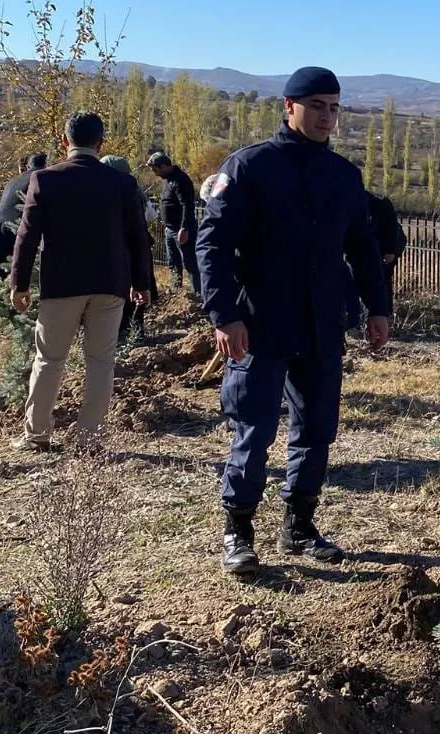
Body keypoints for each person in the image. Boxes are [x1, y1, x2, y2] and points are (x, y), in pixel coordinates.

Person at [197, 67, 392, 576]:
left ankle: (300, 525)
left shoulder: (343, 176)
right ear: (289, 107)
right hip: (261, 323)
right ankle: (238, 531)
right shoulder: (250, 168)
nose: (327, 116)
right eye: (317, 106)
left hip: (323, 323)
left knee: (316, 428)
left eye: (334, 107)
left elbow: (364, 249)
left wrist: (378, 308)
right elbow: (211, 245)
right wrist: (224, 314)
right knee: (254, 428)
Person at [9, 113, 153, 451]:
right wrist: (141, 282)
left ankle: (37, 434)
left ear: (64, 141)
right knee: (101, 362)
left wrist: (19, 283)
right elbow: (138, 238)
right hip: (110, 283)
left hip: (62, 283)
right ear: (101, 143)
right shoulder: (122, 184)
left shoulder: (45, 179)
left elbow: (26, 237)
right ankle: (90, 440)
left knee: (49, 360)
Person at [101, 155, 160, 343]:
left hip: (119, 249)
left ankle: (124, 336)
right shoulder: (134, 189)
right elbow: (151, 215)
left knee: (123, 295)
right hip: (137, 247)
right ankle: (135, 333)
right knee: (136, 293)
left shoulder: (105, 191)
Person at [145, 152, 201, 296]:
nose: (155, 174)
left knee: (190, 263)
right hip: (170, 230)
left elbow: (187, 205)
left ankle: (198, 295)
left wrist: (184, 227)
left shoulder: (180, 180)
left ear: (163, 166)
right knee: (173, 263)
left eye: (156, 170)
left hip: (181, 230)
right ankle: (176, 293)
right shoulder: (168, 180)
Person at [0, 153, 49, 278]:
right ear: (46, 165)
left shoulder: (14, 181)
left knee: (6, 277)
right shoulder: (41, 178)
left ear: (27, 166)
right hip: (16, 232)